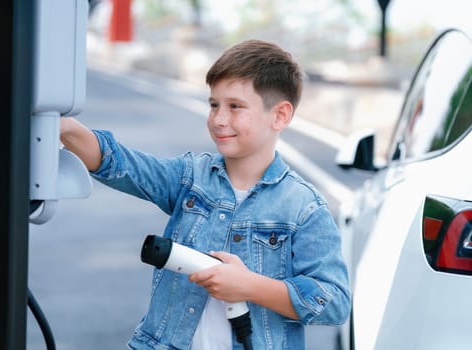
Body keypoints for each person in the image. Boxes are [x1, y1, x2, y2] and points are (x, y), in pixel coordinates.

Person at [60, 39, 351, 349]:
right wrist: (65, 127)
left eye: (235, 106)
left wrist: (249, 286)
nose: (219, 119)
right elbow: (121, 164)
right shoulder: (192, 177)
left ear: (279, 115)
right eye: (214, 105)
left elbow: (333, 303)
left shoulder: (303, 208)